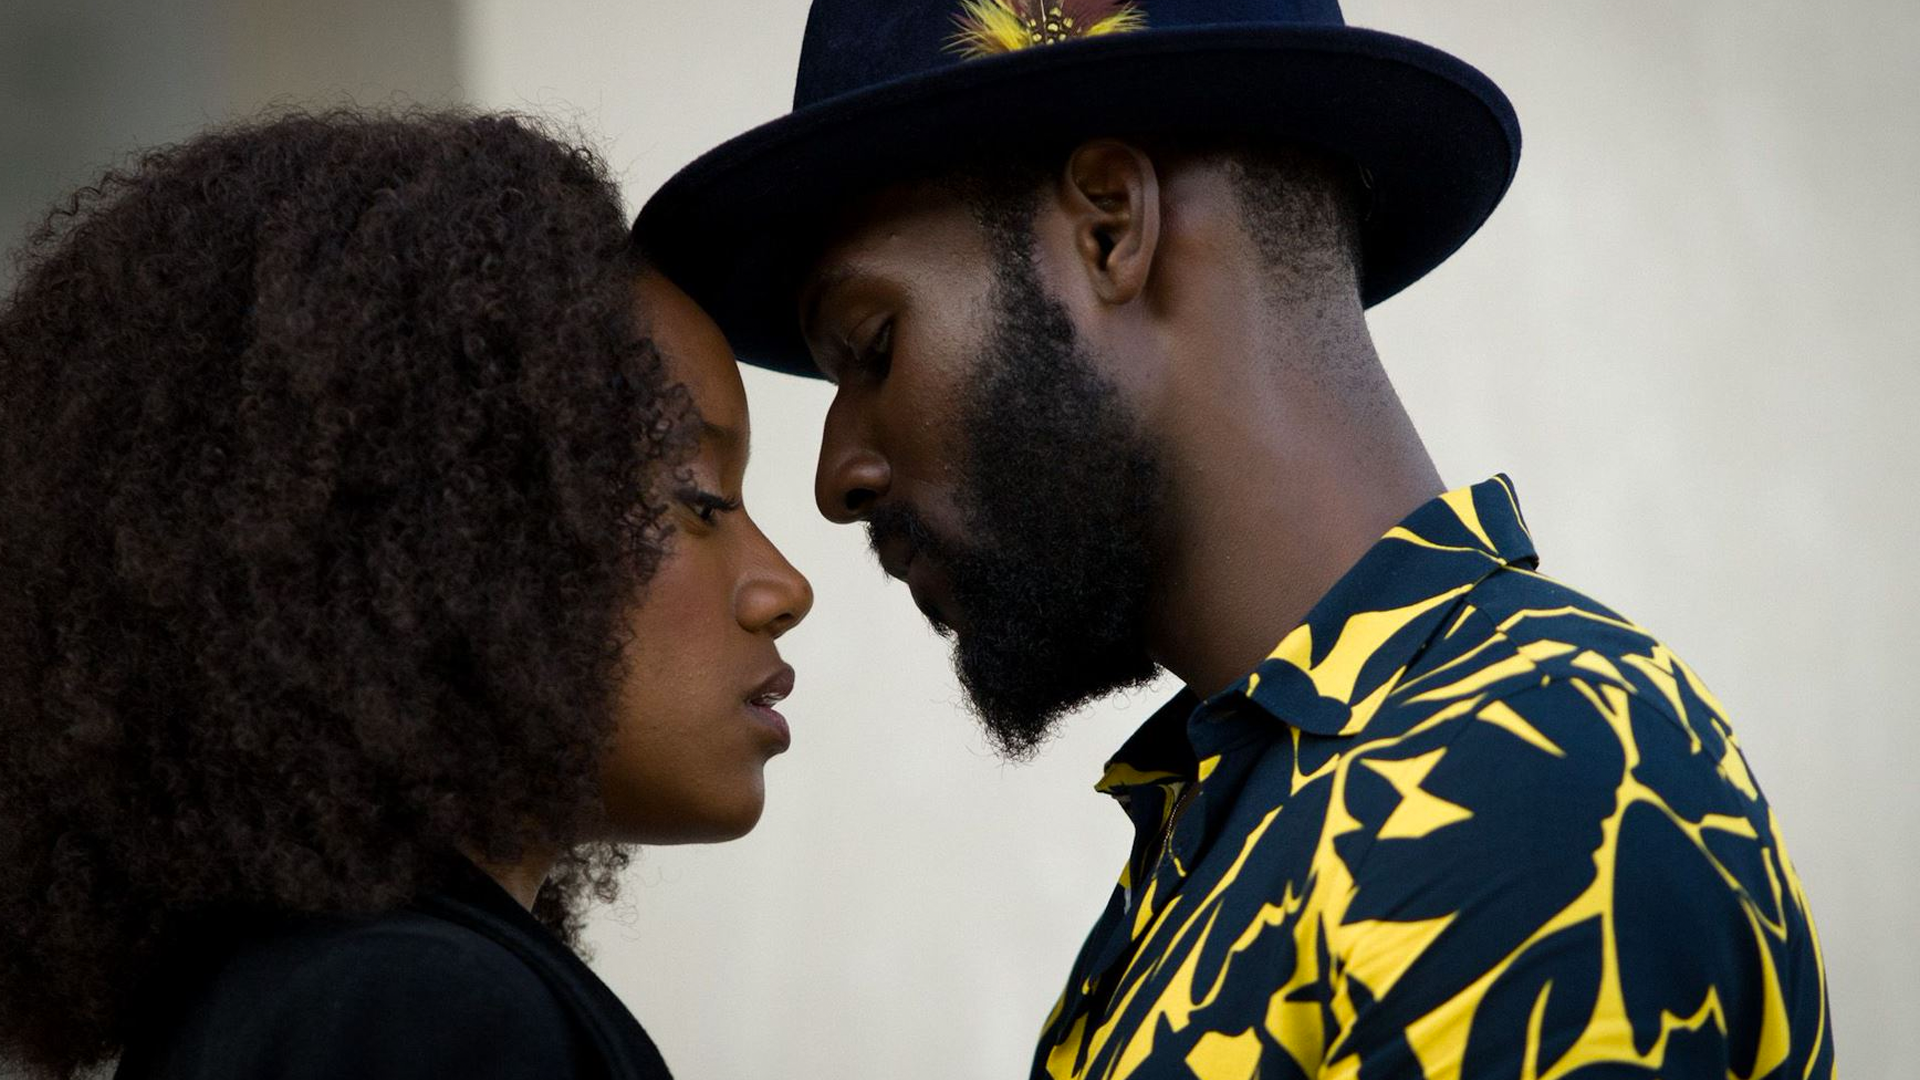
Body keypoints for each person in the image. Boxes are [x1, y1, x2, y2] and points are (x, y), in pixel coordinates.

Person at [634, 1, 1834, 1077]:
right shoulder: (1260, 810)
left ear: (1111, 229)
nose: (837, 478)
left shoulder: (1521, 777)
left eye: (873, 346)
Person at [0, 109, 811, 1080]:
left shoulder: (302, 992)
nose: (783, 588)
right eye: (698, 497)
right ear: (442, 532)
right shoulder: (421, 1012)